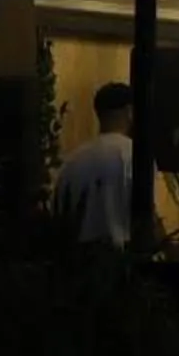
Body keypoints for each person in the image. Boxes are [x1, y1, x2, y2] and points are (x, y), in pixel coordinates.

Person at [51, 82, 138, 250]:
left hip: (78, 259)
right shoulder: (134, 154)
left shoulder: (73, 160)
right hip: (123, 257)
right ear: (129, 112)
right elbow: (146, 214)